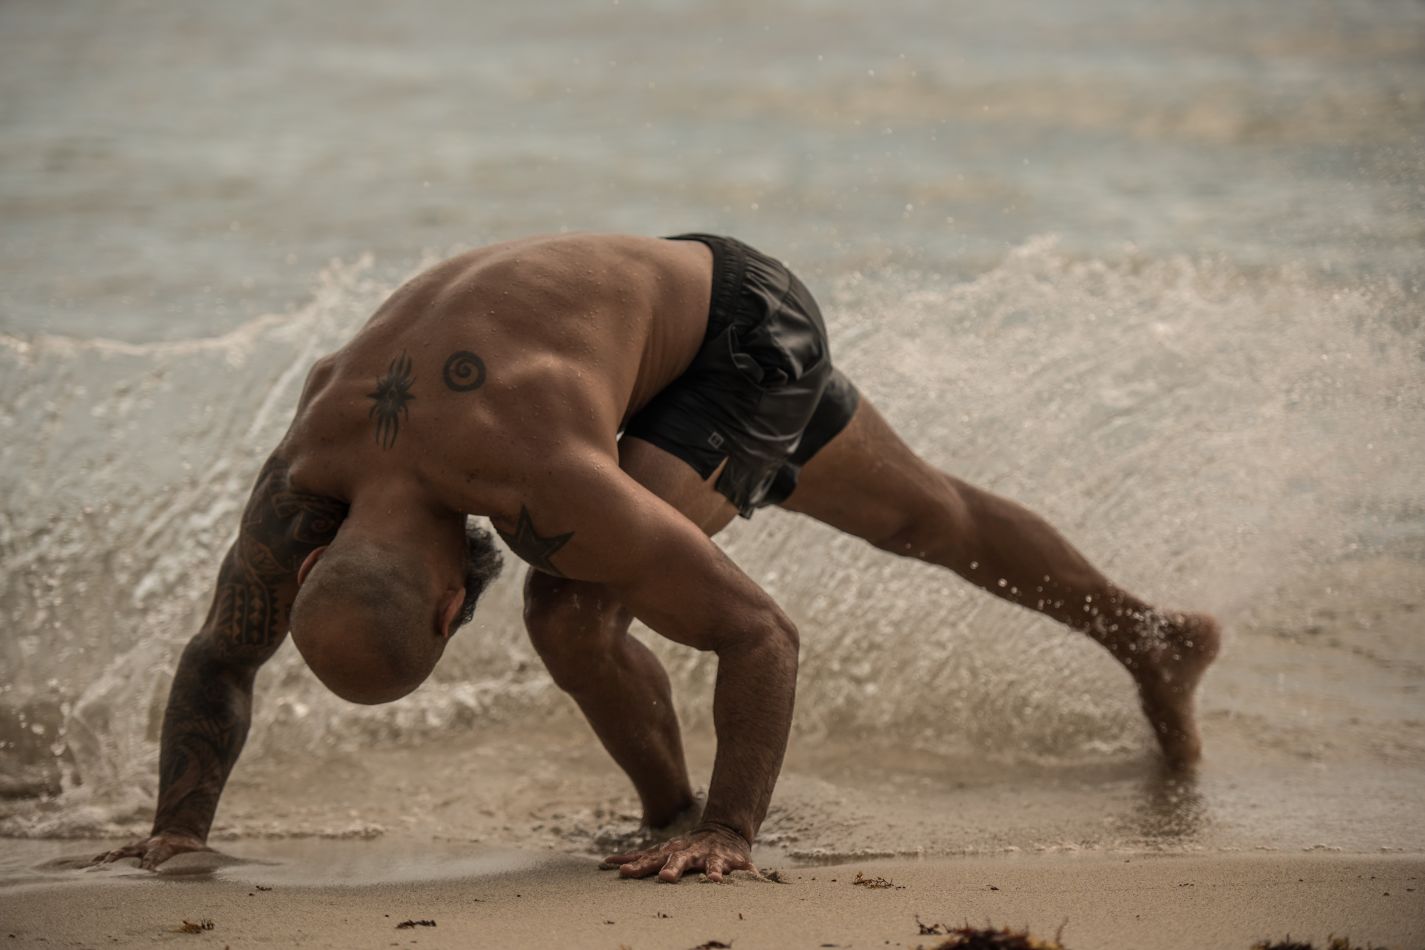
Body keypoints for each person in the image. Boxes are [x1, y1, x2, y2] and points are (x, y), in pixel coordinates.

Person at [94, 233, 1219, 882]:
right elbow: (222, 655)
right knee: (924, 516)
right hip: (651, 316)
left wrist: (735, 831)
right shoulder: (311, 455)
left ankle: (682, 818)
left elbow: (761, 635)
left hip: (737, 332)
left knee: (568, 610)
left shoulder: (539, 479)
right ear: (307, 565)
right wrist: (178, 832)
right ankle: (1151, 636)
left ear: (443, 610)